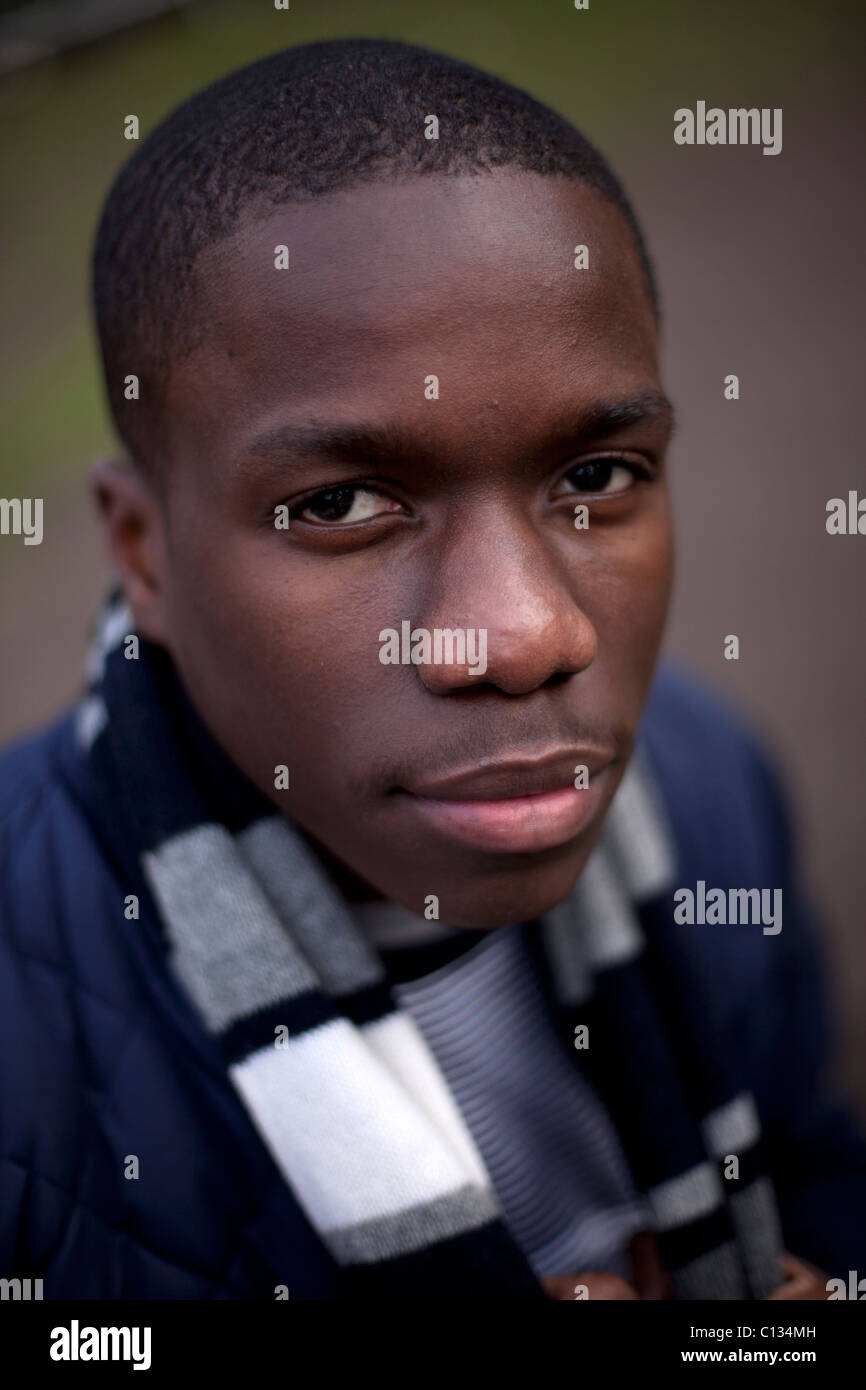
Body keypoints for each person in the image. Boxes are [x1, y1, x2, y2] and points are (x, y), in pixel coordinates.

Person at [1, 38, 863, 1301]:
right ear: (146, 551)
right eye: (343, 501)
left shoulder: (708, 783)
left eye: (593, 477)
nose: (524, 636)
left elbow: (812, 1167)